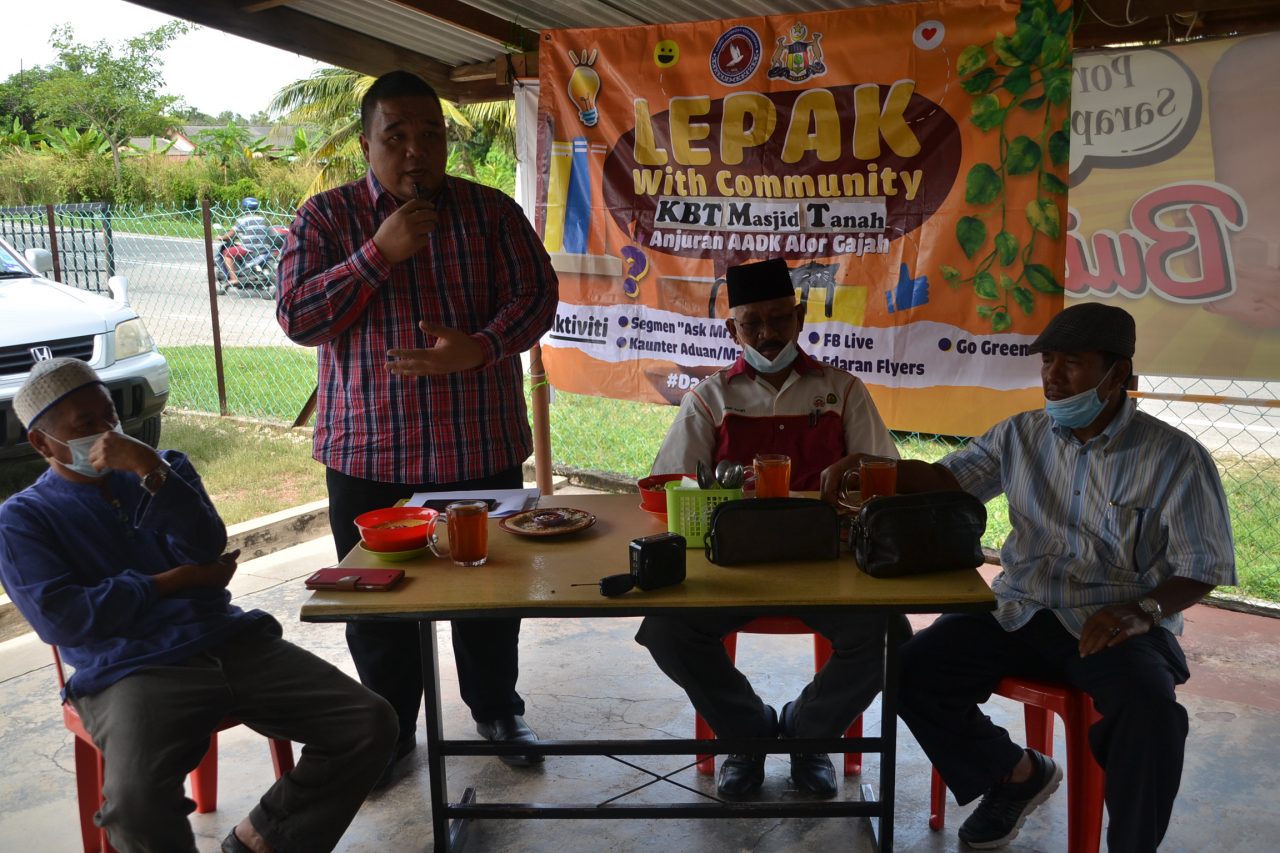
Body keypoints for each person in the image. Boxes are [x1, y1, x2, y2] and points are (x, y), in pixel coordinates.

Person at [820, 303, 1237, 851]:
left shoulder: (1175, 458)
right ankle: (1015, 774)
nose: (1052, 376)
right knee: (909, 671)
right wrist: (877, 468)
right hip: (1019, 609)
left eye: (1073, 362)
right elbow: (950, 481)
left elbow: (1203, 566)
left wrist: (1144, 611)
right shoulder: (1021, 434)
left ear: (1118, 374)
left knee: (1152, 715)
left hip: (1113, 623)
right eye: (1047, 360)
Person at [276, 70, 558, 786]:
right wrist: (379, 253)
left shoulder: (491, 213)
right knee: (377, 608)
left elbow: (537, 297)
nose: (415, 151)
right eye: (395, 136)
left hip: (478, 446)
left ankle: (497, 710)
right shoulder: (326, 218)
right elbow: (299, 317)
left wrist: (483, 347)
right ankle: (391, 729)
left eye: (430, 134)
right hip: (371, 454)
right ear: (365, 144)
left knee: (490, 596)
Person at [0, 358, 398, 853]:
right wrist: (175, 581)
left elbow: (205, 545)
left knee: (369, 723)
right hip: (131, 668)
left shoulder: (164, 467)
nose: (106, 432)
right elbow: (63, 619)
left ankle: (261, 840)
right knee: (136, 806)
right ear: (42, 443)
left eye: (110, 415)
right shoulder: (23, 519)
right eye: (85, 425)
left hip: (227, 639)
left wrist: (152, 471)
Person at [636, 257, 902, 800]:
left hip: (827, 565)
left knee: (889, 637)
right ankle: (747, 734)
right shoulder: (710, 399)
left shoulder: (842, 391)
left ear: (799, 318)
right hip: (732, 568)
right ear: (731, 330)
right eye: (751, 322)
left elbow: (885, 477)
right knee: (667, 631)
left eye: (779, 318)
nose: (767, 333)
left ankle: (809, 735)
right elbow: (672, 488)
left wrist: (855, 479)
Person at [217, 197, 277, 288]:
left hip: (248, 249)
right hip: (263, 248)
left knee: (226, 253)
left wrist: (221, 237)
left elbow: (231, 234)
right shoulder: (263, 219)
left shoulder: (242, 220)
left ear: (244, 208)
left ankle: (233, 279)